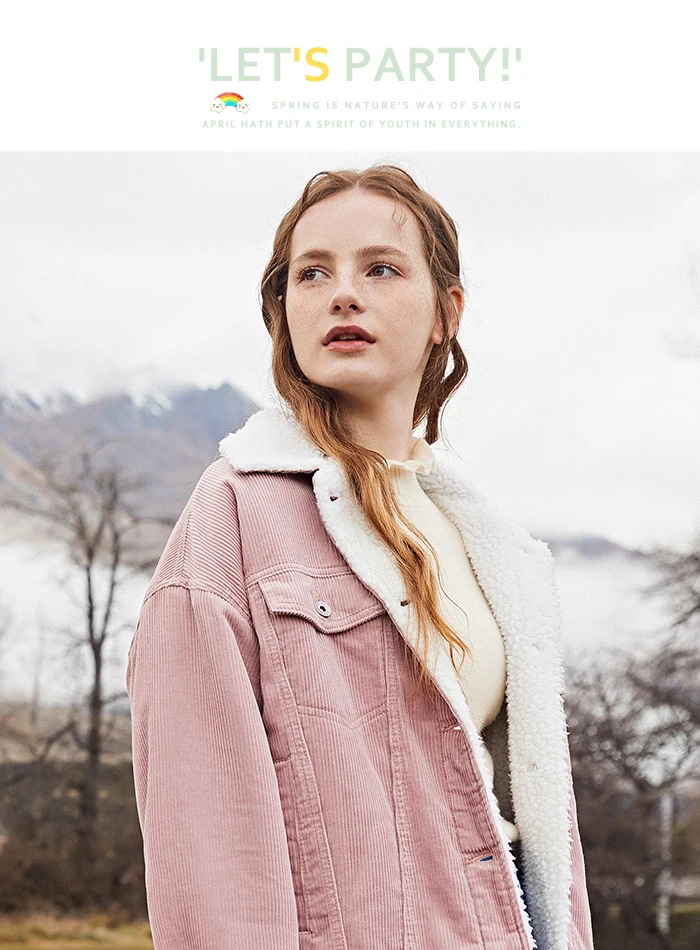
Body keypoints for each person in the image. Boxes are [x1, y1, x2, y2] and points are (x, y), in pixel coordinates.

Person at [126, 164, 595, 949]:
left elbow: (541, 831)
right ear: (283, 312)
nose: (343, 294)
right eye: (312, 274)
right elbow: (211, 852)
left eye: (381, 268)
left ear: (447, 312)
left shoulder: (493, 545)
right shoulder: (233, 515)